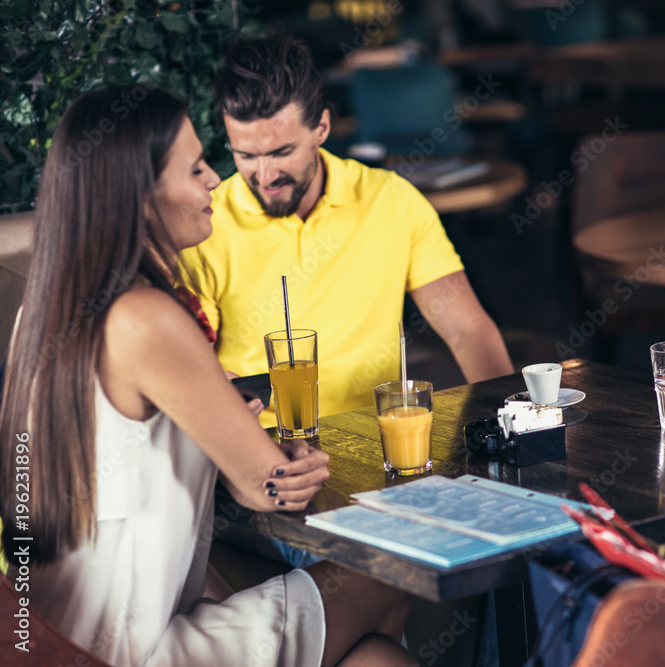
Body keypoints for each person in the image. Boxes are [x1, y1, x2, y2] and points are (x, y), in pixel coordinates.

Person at [0, 86, 413, 666]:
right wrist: (292, 465)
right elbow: (268, 487)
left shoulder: (44, 312)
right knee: (390, 573)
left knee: (380, 662)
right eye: (195, 168)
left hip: (53, 636)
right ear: (140, 195)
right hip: (126, 650)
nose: (216, 179)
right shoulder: (144, 317)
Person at [182, 31, 513, 430]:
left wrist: (512, 423)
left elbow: (467, 329)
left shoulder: (392, 199)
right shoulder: (205, 222)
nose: (265, 175)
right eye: (246, 155)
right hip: (264, 446)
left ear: (321, 127)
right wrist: (214, 386)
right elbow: (186, 363)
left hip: (379, 440)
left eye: (282, 152)